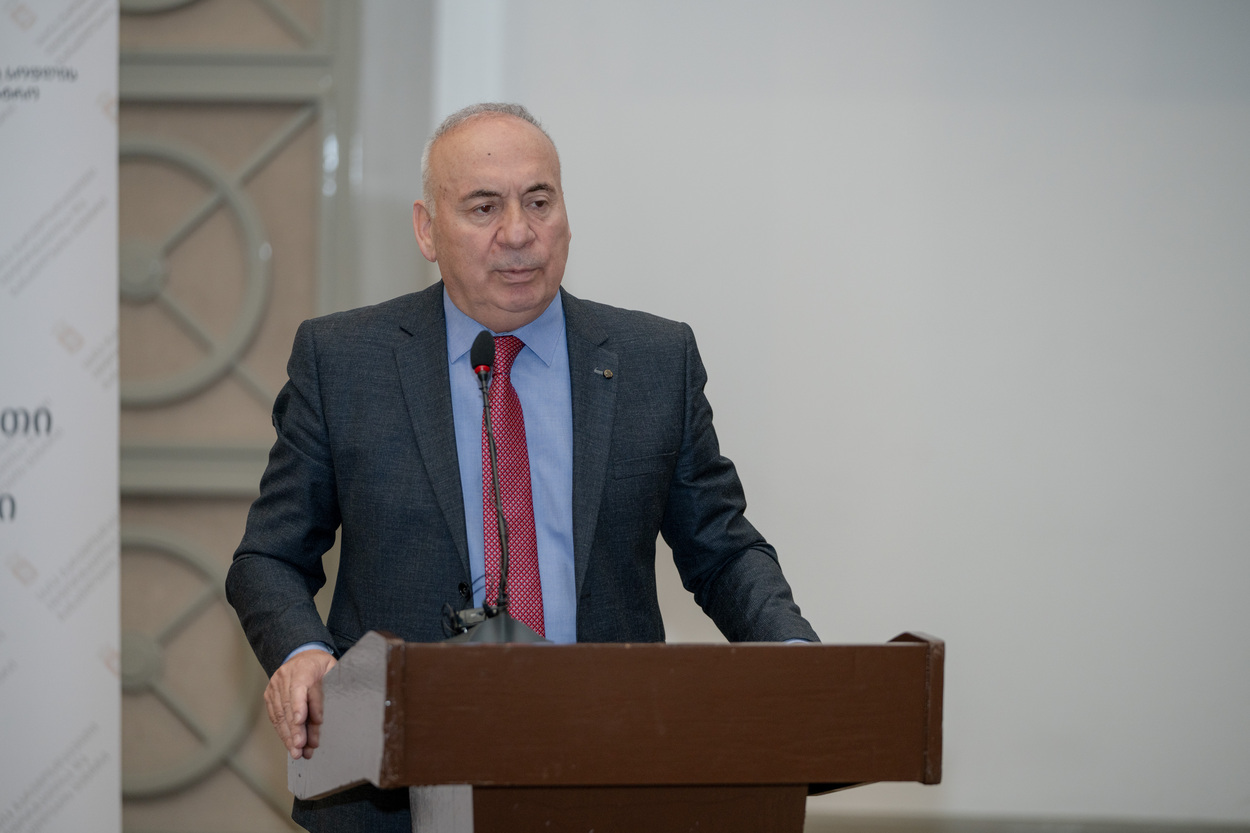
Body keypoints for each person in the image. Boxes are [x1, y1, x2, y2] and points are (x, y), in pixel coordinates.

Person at [226, 102, 817, 832]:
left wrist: (795, 656)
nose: (518, 232)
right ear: (426, 229)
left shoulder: (653, 361)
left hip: (608, 771)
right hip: (391, 787)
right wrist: (304, 652)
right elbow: (269, 557)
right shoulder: (345, 361)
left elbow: (722, 550)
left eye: (539, 201)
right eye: (484, 207)